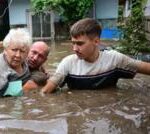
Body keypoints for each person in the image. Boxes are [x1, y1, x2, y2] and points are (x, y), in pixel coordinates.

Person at [41, 18, 150, 94]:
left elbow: (145, 68)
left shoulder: (115, 59)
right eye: (73, 43)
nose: (74, 49)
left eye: (80, 44)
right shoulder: (68, 63)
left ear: (96, 41)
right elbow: (46, 92)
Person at [0, 28, 32, 96]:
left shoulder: (28, 62)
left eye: (22, 51)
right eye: (14, 50)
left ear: (27, 53)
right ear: (5, 49)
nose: (18, 55)